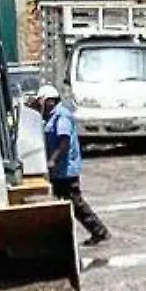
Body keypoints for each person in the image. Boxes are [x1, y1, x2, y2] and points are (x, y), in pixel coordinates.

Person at [35, 85, 110, 247]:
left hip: (66, 170)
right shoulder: (48, 117)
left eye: (41, 101)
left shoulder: (62, 116)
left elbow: (64, 141)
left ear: (49, 101)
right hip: (58, 172)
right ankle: (64, 236)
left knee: (75, 202)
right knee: (62, 204)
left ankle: (99, 231)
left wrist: (52, 160)